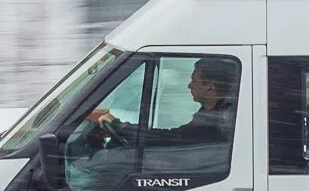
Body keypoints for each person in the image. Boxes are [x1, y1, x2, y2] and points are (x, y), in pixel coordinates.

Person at [87, 57, 237, 147]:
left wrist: (118, 126)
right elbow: (173, 137)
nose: (189, 85)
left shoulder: (220, 121)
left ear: (210, 88)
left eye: (194, 81)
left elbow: (170, 140)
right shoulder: (209, 112)